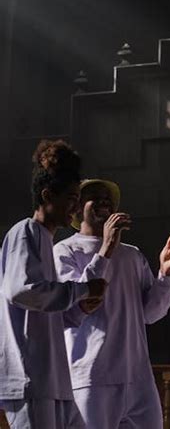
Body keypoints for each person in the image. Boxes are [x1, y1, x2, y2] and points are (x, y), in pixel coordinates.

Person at [53, 178, 170, 429]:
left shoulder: (132, 254)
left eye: (108, 198)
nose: (104, 201)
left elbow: (151, 313)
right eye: (94, 196)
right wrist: (106, 248)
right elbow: (75, 305)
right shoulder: (64, 251)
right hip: (91, 375)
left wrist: (166, 275)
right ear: (77, 208)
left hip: (138, 377)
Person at [0, 140, 107, 429]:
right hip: (30, 379)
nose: (75, 206)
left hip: (55, 381)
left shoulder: (47, 241)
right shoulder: (25, 232)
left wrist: (80, 308)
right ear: (48, 195)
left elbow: (46, 314)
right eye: (71, 198)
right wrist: (82, 290)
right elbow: (21, 290)